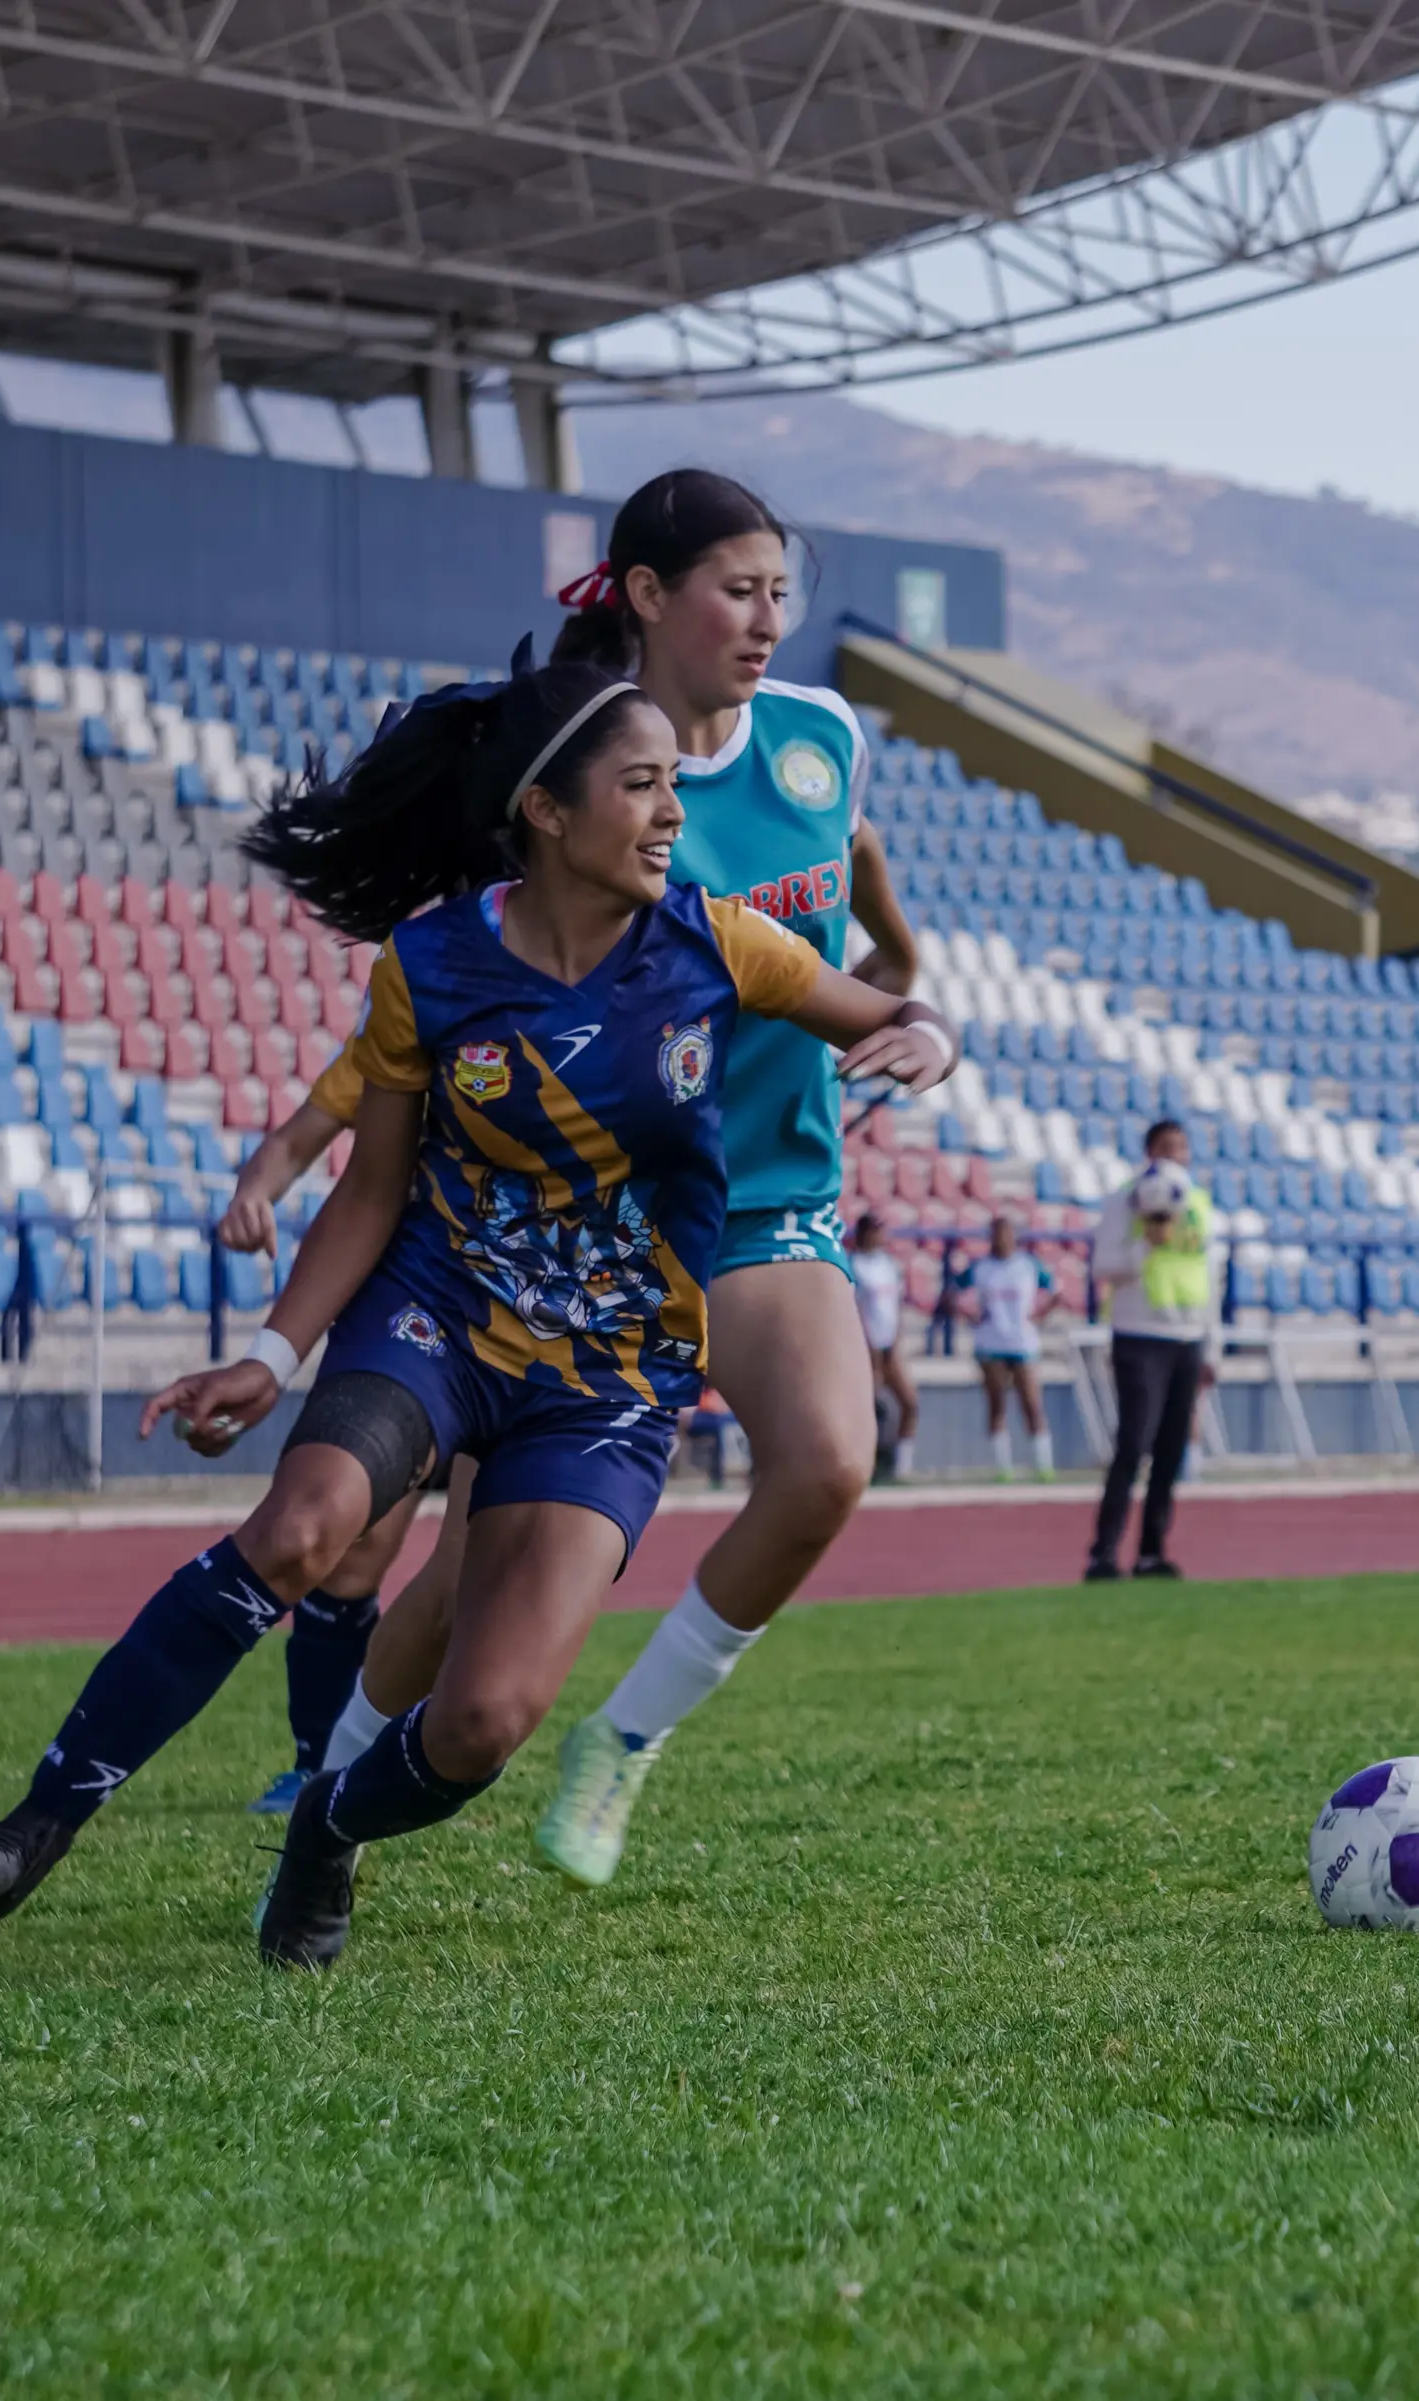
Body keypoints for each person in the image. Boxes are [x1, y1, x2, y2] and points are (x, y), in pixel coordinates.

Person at [0, 654, 954, 1962]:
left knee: (482, 1724)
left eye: (671, 791)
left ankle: (327, 1829)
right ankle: (30, 1831)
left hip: (615, 1375)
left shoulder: (717, 941)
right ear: (548, 811)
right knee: (300, 1531)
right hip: (440, 1319)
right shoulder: (432, 965)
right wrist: (269, 1351)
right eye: (640, 788)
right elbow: (370, 1191)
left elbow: (897, 1011)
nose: (671, 816)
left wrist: (926, 1040)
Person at [316, 470, 928, 1890]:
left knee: (831, 1462)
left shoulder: (821, 741)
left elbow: (857, 887)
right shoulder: (584, 781)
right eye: (737, 588)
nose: (768, 617)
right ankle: (331, 1769)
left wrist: (902, 1001)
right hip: (592, 1237)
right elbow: (469, 994)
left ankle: (624, 1748)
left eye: (783, 589)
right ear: (648, 597)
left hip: (770, 1199)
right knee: (471, 1575)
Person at [213, 1070, 420, 1814]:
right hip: (402, 1317)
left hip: (527, 1315)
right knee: (349, 1553)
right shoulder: (405, 1020)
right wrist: (252, 1193)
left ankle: (442, 1757)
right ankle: (318, 1764)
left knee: (480, 1573)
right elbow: (300, 1136)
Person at [1084, 1118, 1218, 1583]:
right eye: (1165, 1147)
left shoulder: (1197, 1204)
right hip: (1139, 1334)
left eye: (1180, 1147)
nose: (1173, 1155)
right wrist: (1145, 1245)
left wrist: (1212, 1344)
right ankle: (1103, 1552)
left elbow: (1208, 1271)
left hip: (1187, 1336)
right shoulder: (1125, 1199)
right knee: (1133, 1445)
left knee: (1171, 1449)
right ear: (1148, 1151)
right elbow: (1104, 1265)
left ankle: (1151, 1551)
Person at [963, 1214, 1058, 1479]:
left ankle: (1043, 1465)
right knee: (996, 1403)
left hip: (1022, 1341)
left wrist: (1040, 1315)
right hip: (991, 1341)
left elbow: (1054, 1290)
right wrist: (969, 1314)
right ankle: (1003, 1467)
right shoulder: (981, 1267)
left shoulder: (1028, 1265)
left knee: (1031, 1402)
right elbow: (953, 1291)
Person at [849, 1211, 917, 1482]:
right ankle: (868, 1465)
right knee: (870, 1408)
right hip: (868, 1348)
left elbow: (896, 1304)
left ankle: (902, 1466)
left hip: (888, 1346)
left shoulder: (888, 1264)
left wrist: (895, 1338)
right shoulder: (854, 1264)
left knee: (909, 1403)